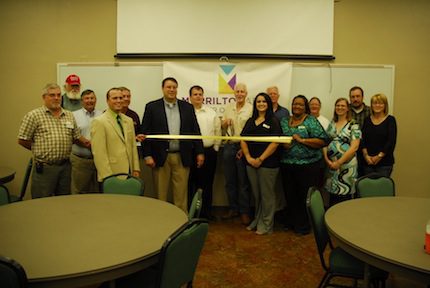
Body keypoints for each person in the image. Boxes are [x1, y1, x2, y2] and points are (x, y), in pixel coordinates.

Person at [141, 77, 204, 213]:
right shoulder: (152, 107)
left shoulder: (187, 107)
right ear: (163, 88)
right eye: (168, 87)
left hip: (182, 156)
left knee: (181, 196)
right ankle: (162, 222)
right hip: (159, 157)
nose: (171, 90)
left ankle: (181, 223)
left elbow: (195, 131)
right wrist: (147, 155)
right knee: (161, 194)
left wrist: (200, 152)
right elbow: (145, 133)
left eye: (174, 87)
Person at [18, 83, 88, 198]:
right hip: (45, 168)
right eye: (52, 95)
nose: (56, 98)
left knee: (63, 201)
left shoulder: (69, 115)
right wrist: (39, 149)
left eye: (59, 95)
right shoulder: (34, 115)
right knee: (41, 203)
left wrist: (90, 144)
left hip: (65, 167)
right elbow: (22, 140)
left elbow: (76, 137)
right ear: (44, 97)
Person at [280, 95, 328, 235]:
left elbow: (323, 141)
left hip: (308, 166)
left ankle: (303, 226)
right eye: (295, 104)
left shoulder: (311, 121)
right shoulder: (284, 121)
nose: (297, 107)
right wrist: (283, 145)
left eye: (300, 104)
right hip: (287, 165)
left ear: (305, 106)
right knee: (290, 195)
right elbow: (279, 138)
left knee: (304, 197)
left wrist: (302, 140)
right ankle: (292, 222)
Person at [240, 92, 281, 235]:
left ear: (268, 104)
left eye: (264, 101)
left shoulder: (273, 121)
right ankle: (258, 220)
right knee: (257, 195)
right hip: (250, 162)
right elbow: (243, 139)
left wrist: (260, 159)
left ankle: (267, 225)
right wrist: (249, 157)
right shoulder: (251, 121)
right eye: (258, 102)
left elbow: (275, 142)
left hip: (267, 164)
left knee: (267, 195)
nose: (261, 104)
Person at [91, 88, 140, 184]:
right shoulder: (99, 122)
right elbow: (99, 153)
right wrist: (107, 177)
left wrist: (136, 169)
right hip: (112, 174)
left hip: (129, 173)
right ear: (108, 101)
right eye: (115, 98)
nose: (119, 101)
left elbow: (133, 147)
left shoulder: (128, 120)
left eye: (121, 98)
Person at [221, 83, 253, 225]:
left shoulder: (251, 109)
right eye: (237, 91)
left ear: (246, 94)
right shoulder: (229, 107)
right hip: (228, 146)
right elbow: (222, 126)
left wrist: (244, 148)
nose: (239, 94)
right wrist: (225, 123)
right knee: (229, 181)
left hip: (243, 147)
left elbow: (252, 131)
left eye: (242, 91)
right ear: (234, 94)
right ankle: (233, 208)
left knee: (243, 182)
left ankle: (244, 212)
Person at [188, 85, 221, 219]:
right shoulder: (186, 112)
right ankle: (191, 213)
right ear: (190, 97)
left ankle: (206, 213)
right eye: (195, 94)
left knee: (207, 184)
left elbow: (217, 131)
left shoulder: (211, 112)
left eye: (200, 94)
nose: (198, 96)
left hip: (209, 153)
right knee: (191, 183)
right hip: (190, 153)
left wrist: (216, 148)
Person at [323, 98, 361, 205]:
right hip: (331, 166)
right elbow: (325, 143)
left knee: (345, 197)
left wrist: (338, 163)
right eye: (338, 105)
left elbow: (354, 147)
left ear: (347, 108)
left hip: (347, 167)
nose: (340, 108)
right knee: (332, 196)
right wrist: (327, 160)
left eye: (343, 106)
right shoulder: (332, 123)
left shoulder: (353, 125)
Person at [70, 89, 102, 194]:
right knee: (80, 191)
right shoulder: (73, 115)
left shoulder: (102, 115)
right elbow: (71, 135)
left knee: (98, 191)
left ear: (96, 100)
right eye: (87, 98)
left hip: (99, 161)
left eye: (92, 98)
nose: (90, 101)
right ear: (82, 101)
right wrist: (88, 144)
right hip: (81, 161)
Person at [361, 93, 397, 177]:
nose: (377, 105)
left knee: (381, 189)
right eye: (375, 103)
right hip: (367, 162)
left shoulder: (390, 120)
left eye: (381, 103)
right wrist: (366, 155)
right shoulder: (367, 120)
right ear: (371, 105)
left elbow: (391, 141)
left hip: (384, 163)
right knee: (367, 189)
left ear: (385, 105)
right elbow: (362, 139)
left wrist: (379, 156)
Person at [349, 86, 371, 177]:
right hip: (349, 152)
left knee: (365, 181)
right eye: (353, 97)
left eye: (358, 96)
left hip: (367, 152)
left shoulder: (371, 111)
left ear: (362, 97)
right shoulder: (345, 110)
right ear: (350, 98)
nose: (355, 99)